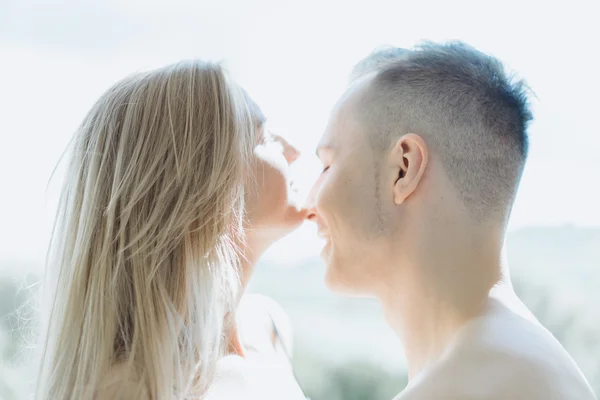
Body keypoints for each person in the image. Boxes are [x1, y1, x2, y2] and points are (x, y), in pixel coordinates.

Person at [306, 41, 597, 399]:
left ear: (403, 168)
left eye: (327, 165)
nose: (309, 202)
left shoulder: (466, 385)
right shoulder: (519, 363)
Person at [36, 60, 306, 400]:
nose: (295, 153)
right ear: (203, 189)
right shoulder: (127, 390)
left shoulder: (268, 326)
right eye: (264, 137)